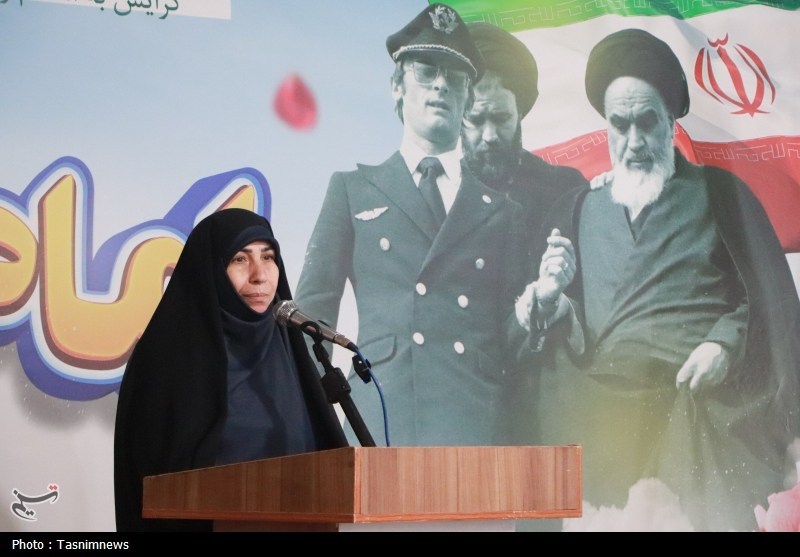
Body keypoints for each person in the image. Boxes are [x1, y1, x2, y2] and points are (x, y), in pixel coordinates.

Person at [520, 28, 800, 531]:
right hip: (607, 430)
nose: (634, 142)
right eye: (619, 125)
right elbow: (572, 331)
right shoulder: (579, 209)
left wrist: (724, 343)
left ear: (671, 121)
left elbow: (770, 301)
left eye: (647, 122)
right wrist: (554, 305)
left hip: (698, 421)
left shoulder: (720, 193)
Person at [295, 4, 541, 447]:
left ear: (467, 99)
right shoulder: (353, 190)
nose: (441, 85)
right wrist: (309, 423)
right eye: (426, 71)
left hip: (477, 426)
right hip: (381, 419)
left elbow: (514, 341)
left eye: (456, 77)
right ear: (397, 86)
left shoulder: (504, 212)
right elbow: (313, 315)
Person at [113, 208, 348, 532]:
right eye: (240, 259)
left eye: (268, 257)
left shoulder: (289, 351)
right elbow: (151, 478)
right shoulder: (167, 360)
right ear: (210, 269)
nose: (259, 275)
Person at [462, 22, 588, 247]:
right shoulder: (438, 197)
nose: (490, 136)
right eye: (476, 120)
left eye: (501, 118)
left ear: (519, 113)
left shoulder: (567, 189)